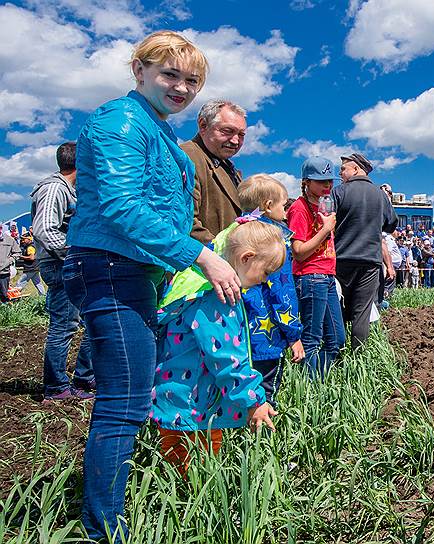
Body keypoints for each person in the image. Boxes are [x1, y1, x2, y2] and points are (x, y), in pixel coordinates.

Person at [63, 31, 241, 541]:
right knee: (123, 402)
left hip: (137, 271)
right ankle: (103, 529)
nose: (181, 87)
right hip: (111, 267)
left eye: (191, 80)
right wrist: (200, 254)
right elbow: (121, 207)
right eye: (170, 74)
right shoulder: (121, 121)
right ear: (139, 70)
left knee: (134, 395)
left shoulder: (156, 128)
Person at [151, 220, 282, 475]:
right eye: (266, 272)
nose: (264, 281)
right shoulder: (216, 299)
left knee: (174, 467)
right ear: (246, 258)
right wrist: (254, 400)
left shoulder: (193, 284)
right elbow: (227, 359)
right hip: (197, 408)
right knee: (198, 476)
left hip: (175, 400)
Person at [230, 174, 304, 406]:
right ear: (268, 206)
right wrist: (293, 334)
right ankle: (261, 439)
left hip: (234, 330)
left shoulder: (234, 232)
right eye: (283, 205)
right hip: (266, 333)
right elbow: (282, 293)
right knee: (265, 392)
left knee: (239, 389)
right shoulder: (274, 242)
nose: (285, 211)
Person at [30, 141, 95, 400]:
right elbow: (45, 229)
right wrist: (73, 253)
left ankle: (85, 377)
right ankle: (57, 386)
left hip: (70, 264)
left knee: (91, 322)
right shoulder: (55, 188)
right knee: (64, 326)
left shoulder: (70, 190)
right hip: (60, 265)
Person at [333, 153, 397, 349]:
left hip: (341, 259)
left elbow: (327, 222)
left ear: (356, 169)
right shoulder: (380, 195)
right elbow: (390, 225)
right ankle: (358, 357)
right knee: (362, 312)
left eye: (343, 169)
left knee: (339, 309)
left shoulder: (338, 192)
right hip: (369, 261)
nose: (340, 172)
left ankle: (338, 354)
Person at [288, 157, 343, 377]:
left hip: (326, 276)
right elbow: (299, 252)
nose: (327, 186)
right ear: (306, 182)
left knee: (337, 339)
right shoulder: (299, 209)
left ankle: (320, 381)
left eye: (329, 181)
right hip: (311, 277)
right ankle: (309, 391)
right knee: (312, 339)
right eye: (321, 181)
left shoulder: (323, 205)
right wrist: (325, 229)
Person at [182, 99, 247, 244]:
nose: (236, 141)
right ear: (203, 125)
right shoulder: (187, 157)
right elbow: (186, 223)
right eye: (228, 131)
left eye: (241, 135)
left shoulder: (227, 166)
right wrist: (226, 253)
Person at [0, 225, 20, 302]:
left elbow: (17, 253)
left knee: (4, 294)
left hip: (3, 272)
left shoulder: (9, 240)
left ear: (1, 228)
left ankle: (5, 312)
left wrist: (8, 261)